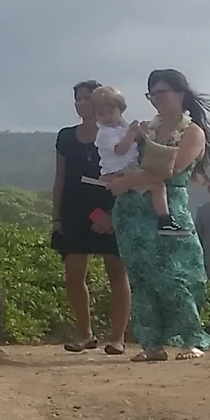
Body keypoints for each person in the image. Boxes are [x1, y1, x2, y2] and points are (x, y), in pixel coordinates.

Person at [100, 68, 210, 361]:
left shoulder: (192, 132)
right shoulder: (148, 130)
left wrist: (126, 182)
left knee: (173, 274)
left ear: (180, 93)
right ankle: (151, 343)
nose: (155, 99)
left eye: (161, 93)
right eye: (151, 94)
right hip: (132, 212)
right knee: (141, 278)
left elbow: (171, 169)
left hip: (167, 208)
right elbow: (129, 159)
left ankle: (192, 338)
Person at [51, 81, 130, 354]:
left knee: (116, 271)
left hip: (111, 205)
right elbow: (60, 178)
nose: (81, 103)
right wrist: (56, 218)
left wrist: (111, 213)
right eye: (78, 99)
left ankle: (118, 337)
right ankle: (85, 334)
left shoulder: (119, 135)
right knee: (73, 273)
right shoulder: (65, 136)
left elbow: (129, 172)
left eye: (87, 98)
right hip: (75, 207)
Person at [86, 85, 182, 237]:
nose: (107, 117)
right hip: (118, 171)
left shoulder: (121, 127)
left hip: (128, 168)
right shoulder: (104, 133)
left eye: (111, 112)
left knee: (151, 188)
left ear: (120, 110)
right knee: (157, 186)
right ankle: (165, 220)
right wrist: (132, 132)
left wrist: (141, 131)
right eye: (101, 114)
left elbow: (135, 141)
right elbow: (120, 149)